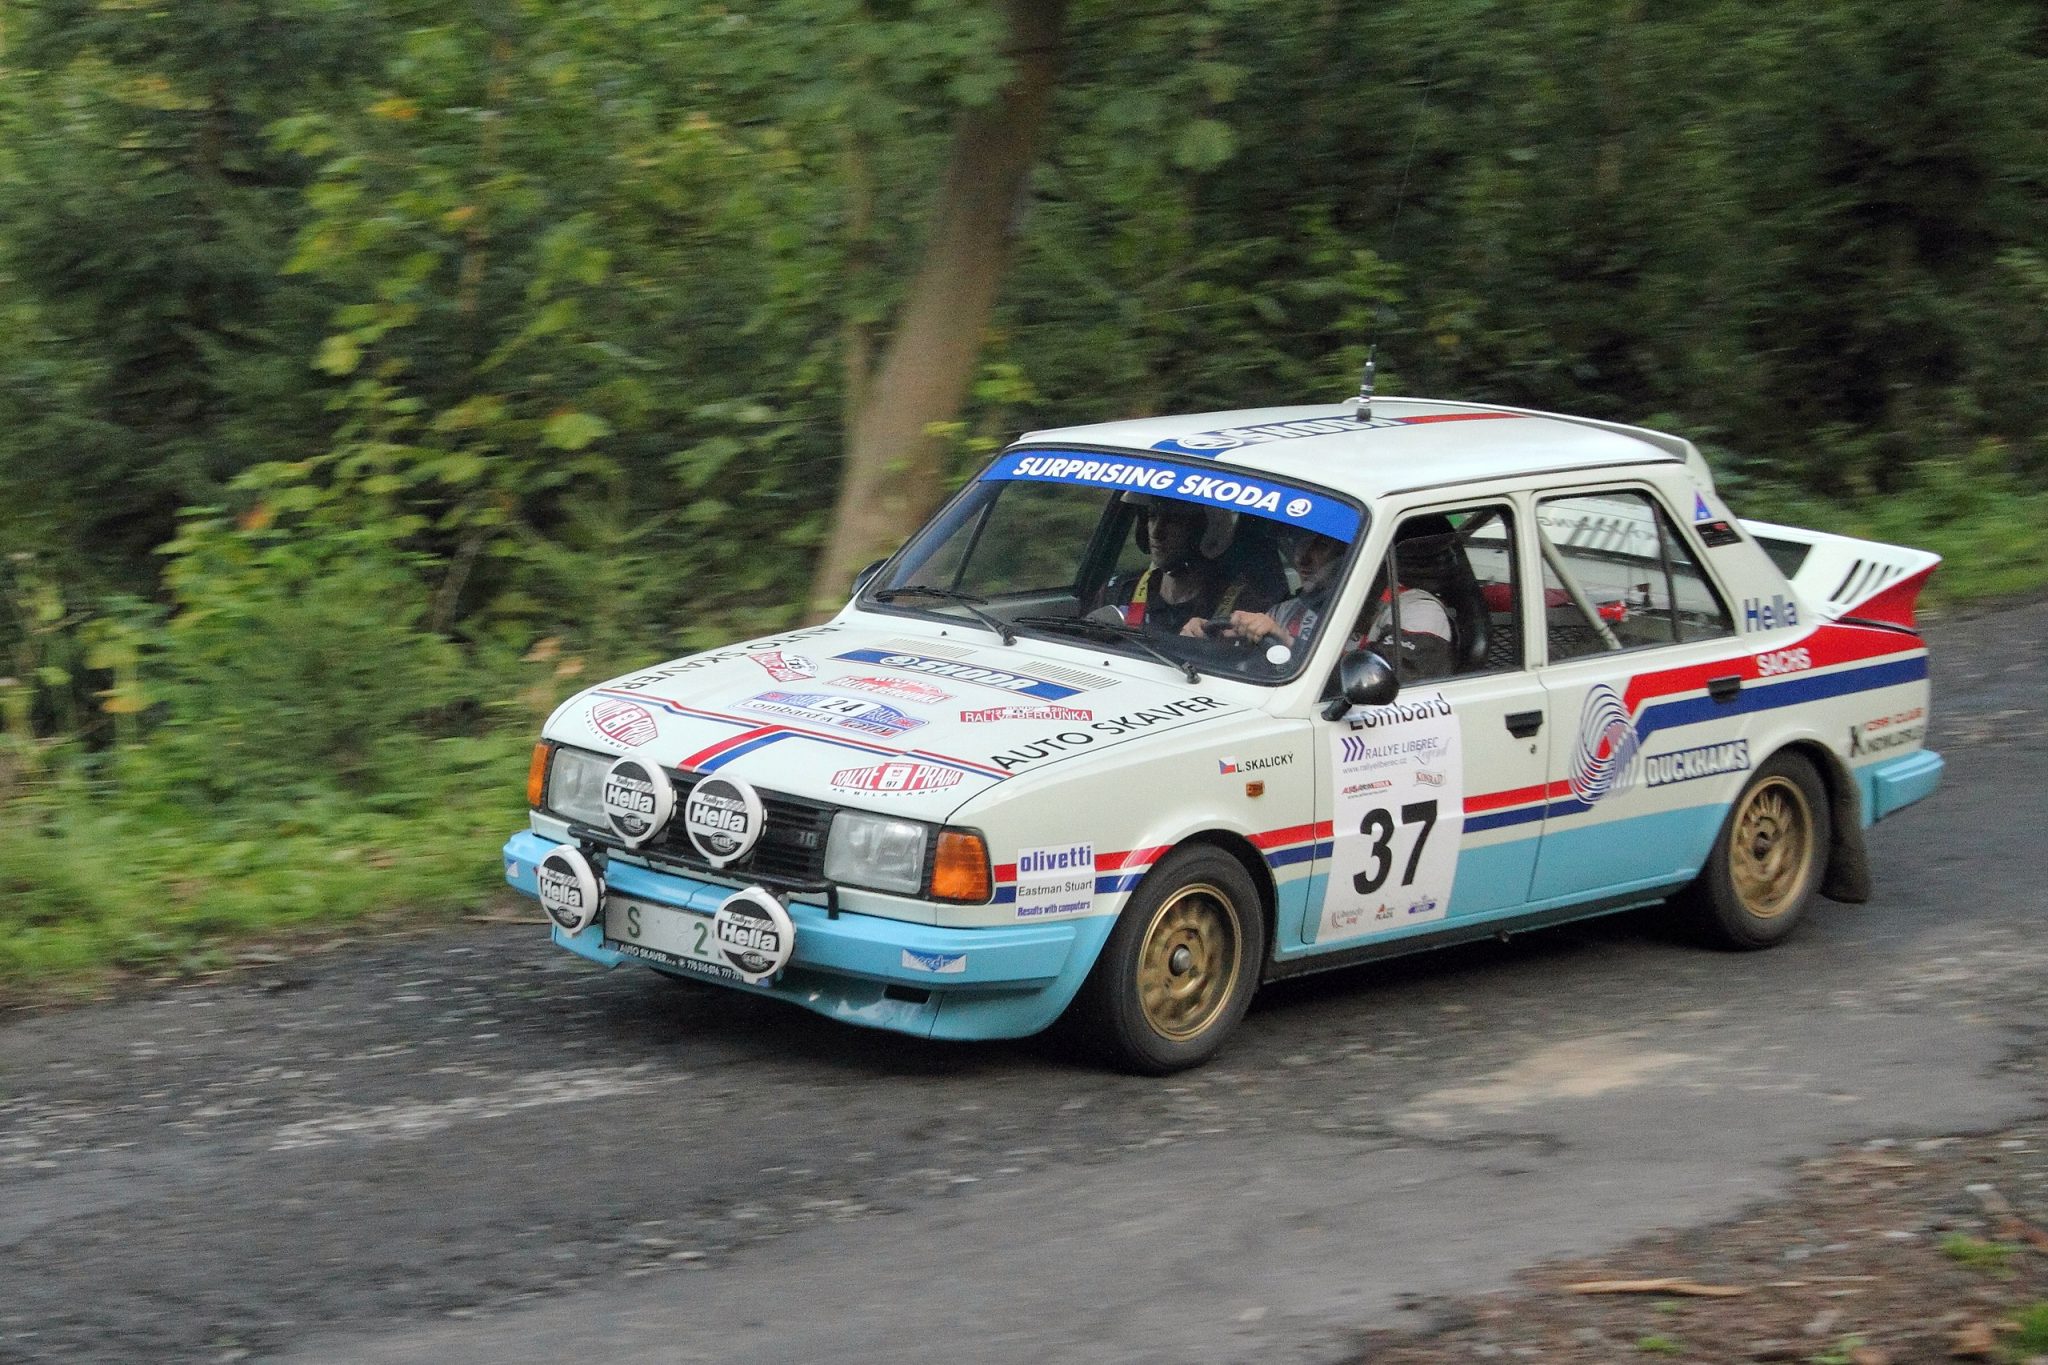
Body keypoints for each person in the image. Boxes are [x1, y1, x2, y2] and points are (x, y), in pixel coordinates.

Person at [1204, 527, 1457, 679]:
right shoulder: (1289, 610)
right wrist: (1206, 638)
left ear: (1351, 552)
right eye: (1298, 545)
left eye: (1321, 546)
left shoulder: (1418, 610)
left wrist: (1288, 642)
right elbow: (1244, 658)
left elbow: (1376, 682)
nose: (1302, 558)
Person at [1096, 496, 1273, 634]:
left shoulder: (1243, 606)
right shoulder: (1120, 590)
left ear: (1206, 530)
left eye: (1173, 521)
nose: (1156, 532)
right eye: (1152, 517)